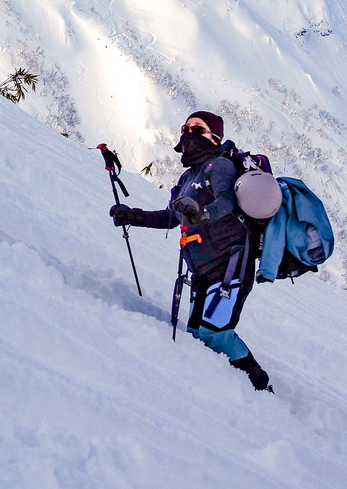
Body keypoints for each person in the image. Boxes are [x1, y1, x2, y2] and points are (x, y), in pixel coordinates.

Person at [109, 111, 271, 391]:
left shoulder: (219, 166)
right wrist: (134, 216)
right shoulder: (188, 177)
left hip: (229, 263)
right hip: (202, 268)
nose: (188, 133)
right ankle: (220, 389)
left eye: (198, 128)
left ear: (214, 136)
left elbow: (227, 202)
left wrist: (203, 214)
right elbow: (173, 217)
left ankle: (259, 388)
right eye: (186, 128)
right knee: (197, 334)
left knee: (215, 334)